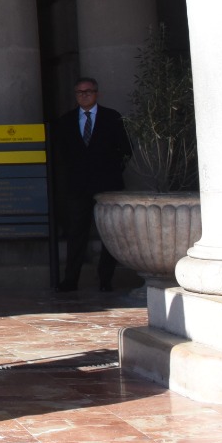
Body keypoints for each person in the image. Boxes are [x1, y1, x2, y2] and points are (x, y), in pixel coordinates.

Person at [52, 77, 132, 293]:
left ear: (96, 93)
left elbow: (126, 150)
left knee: (109, 233)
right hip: (78, 186)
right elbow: (61, 153)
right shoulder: (66, 120)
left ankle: (105, 279)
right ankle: (71, 280)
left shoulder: (112, 117)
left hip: (107, 184)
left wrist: (112, 172)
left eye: (88, 91)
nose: (84, 95)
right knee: (77, 232)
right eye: (80, 92)